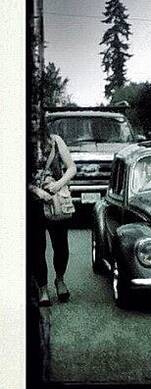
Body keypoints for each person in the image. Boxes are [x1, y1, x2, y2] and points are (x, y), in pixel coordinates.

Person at [28, 126, 76, 307]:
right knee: (37, 248)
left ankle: (60, 279)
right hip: (33, 202)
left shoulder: (55, 140)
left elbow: (72, 168)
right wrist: (36, 191)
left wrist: (59, 184)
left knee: (61, 245)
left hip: (56, 200)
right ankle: (43, 288)